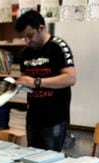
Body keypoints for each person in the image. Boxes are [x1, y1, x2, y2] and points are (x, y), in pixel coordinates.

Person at [15, 10, 76, 151]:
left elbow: (71, 78)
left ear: (41, 28)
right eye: (24, 37)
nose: (27, 41)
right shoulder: (26, 52)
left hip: (54, 118)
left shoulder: (58, 46)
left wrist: (37, 82)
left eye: (30, 35)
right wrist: (18, 84)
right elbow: (25, 78)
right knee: (32, 161)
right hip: (33, 118)